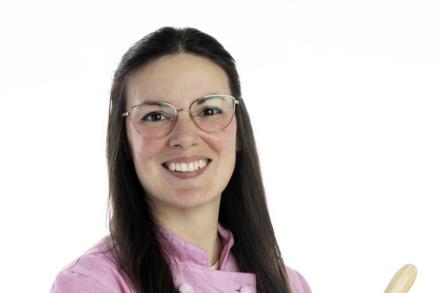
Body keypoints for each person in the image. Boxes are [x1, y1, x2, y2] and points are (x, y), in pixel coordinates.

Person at [50, 26, 312, 293]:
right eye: (155, 116)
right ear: (125, 141)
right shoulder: (91, 283)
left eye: (209, 110)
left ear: (238, 132)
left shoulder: (291, 285)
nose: (185, 137)